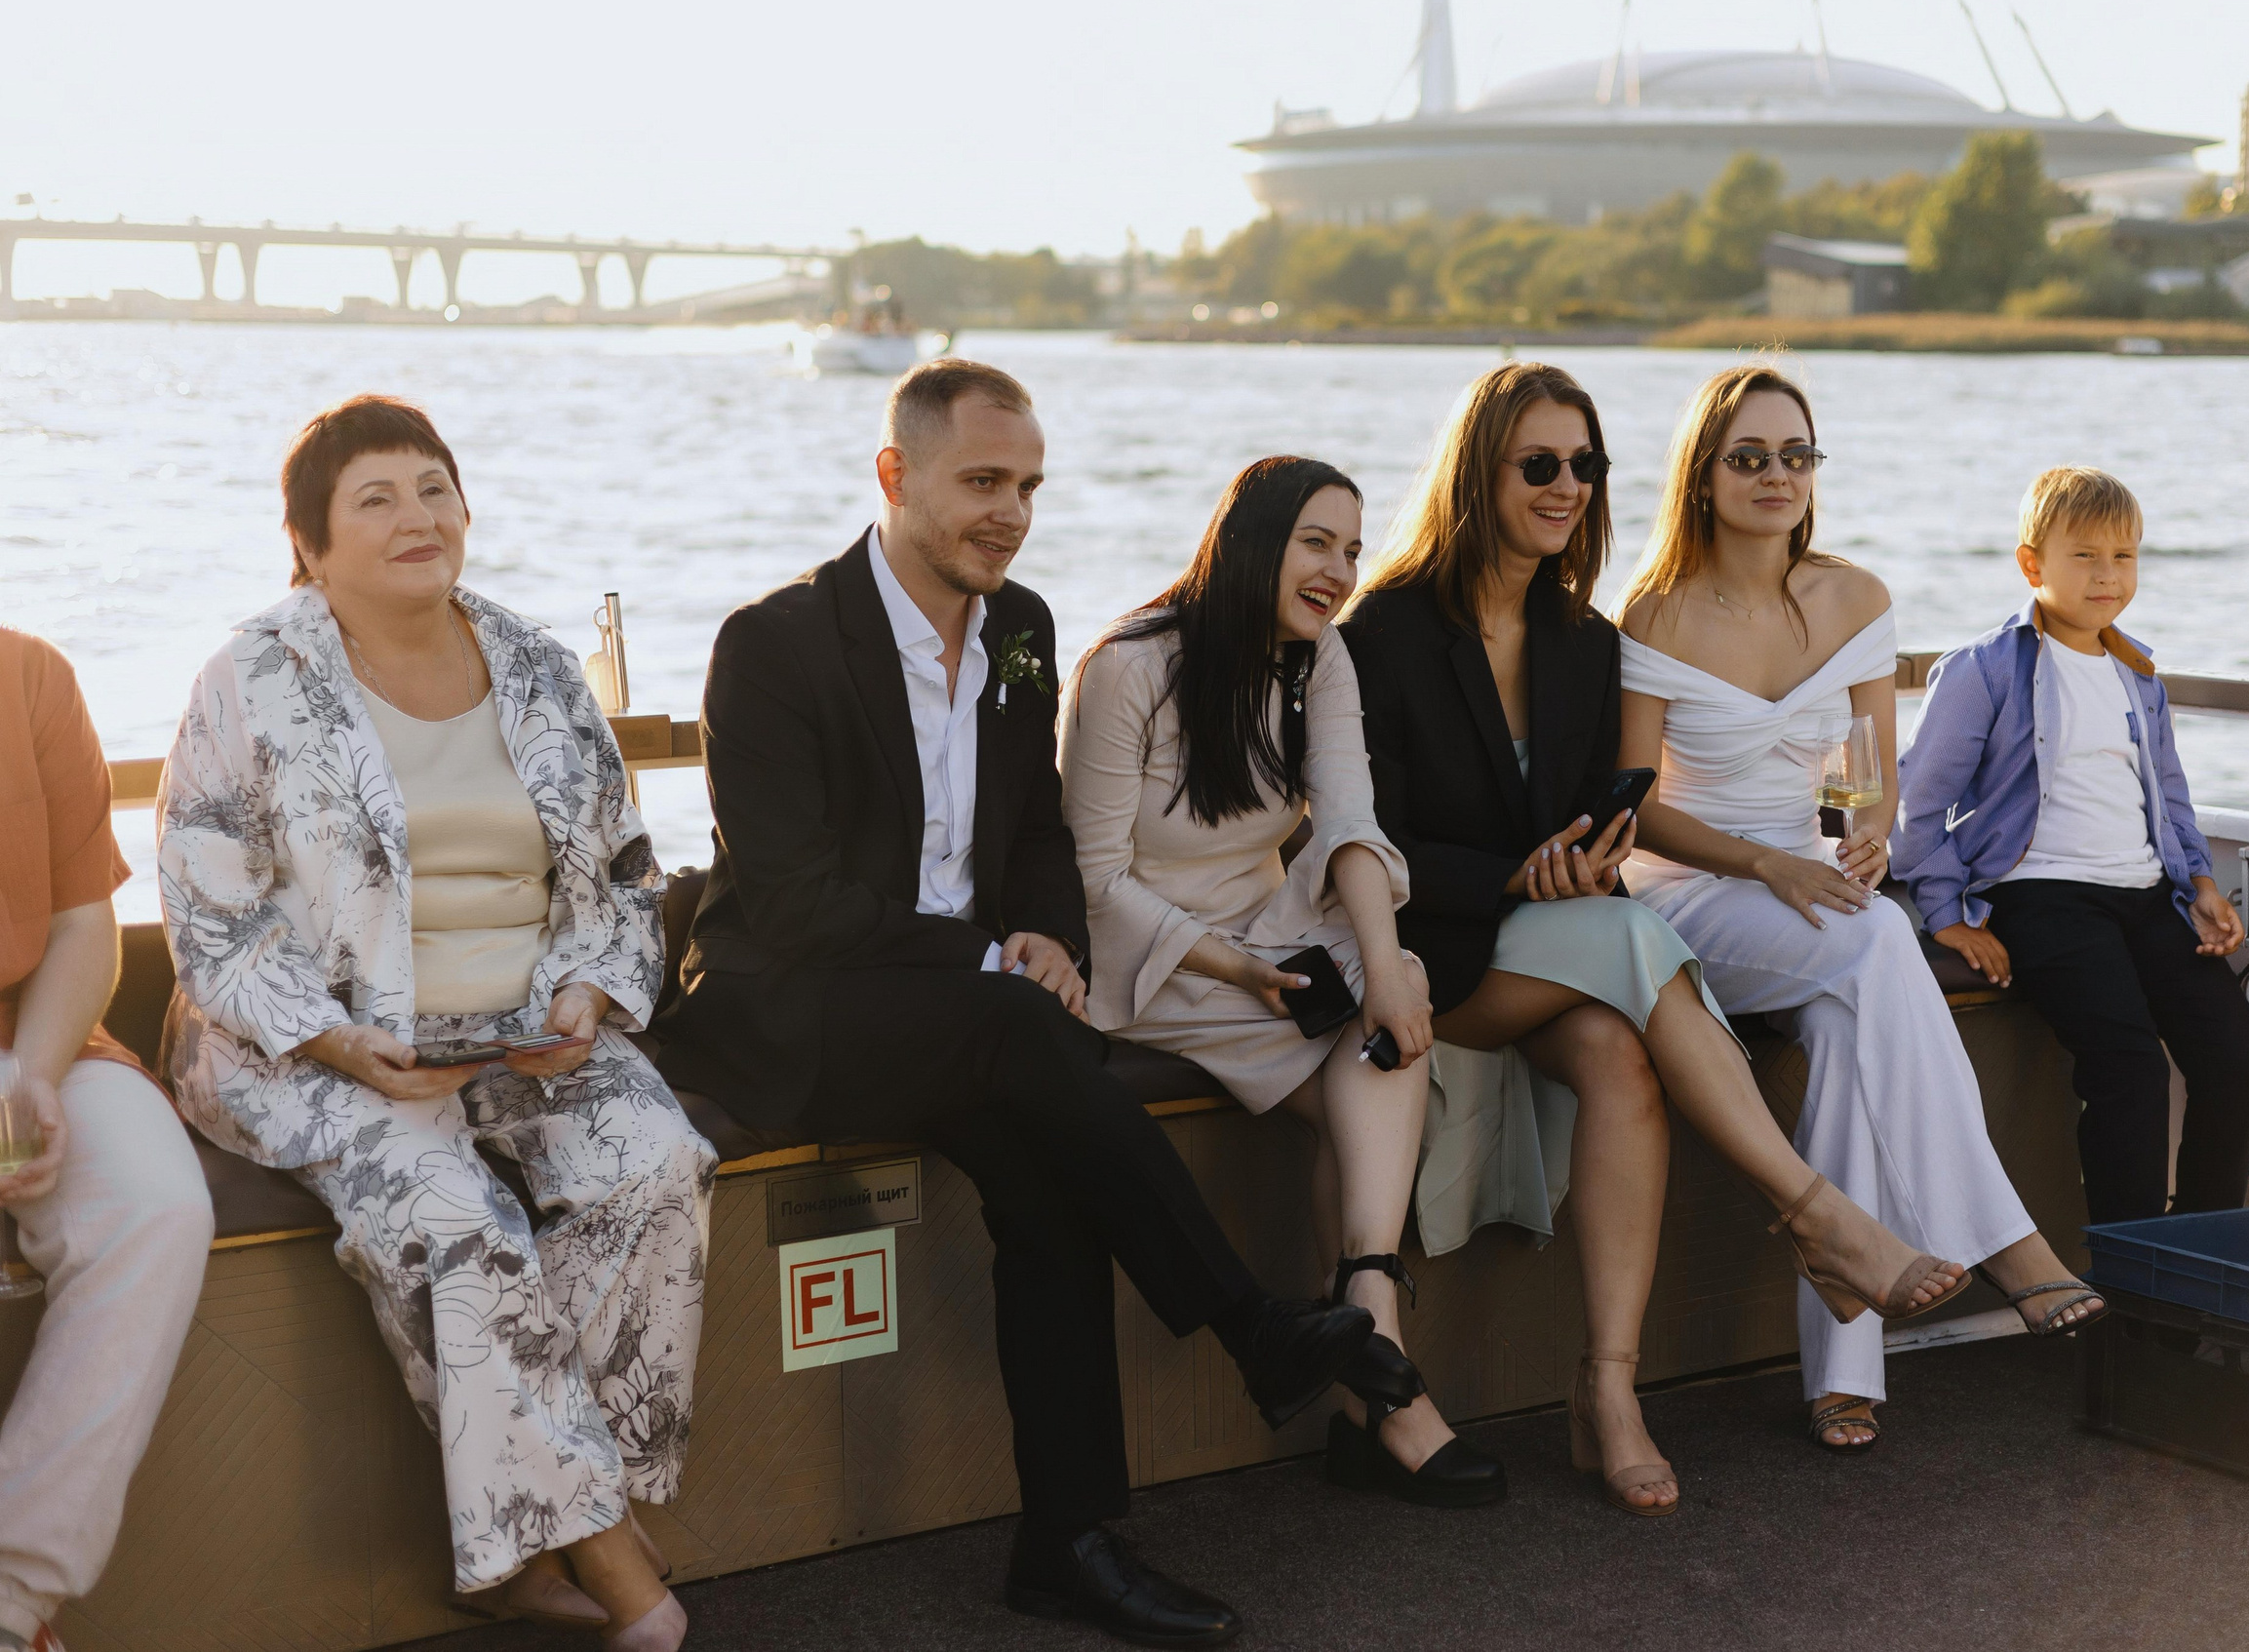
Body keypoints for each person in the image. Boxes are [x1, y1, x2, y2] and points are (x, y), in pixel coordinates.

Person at [653, 359, 1377, 1648]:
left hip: (965, 1022)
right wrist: (1000, 961)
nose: (1011, 510)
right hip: (796, 1012)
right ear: (896, 476)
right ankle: (1249, 1321)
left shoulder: (1024, 624)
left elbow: (1039, 832)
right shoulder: (774, 644)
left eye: (1029, 485)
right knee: (1028, 1036)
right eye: (983, 481)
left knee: (1050, 1178)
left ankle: (1071, 1539)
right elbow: (798, 900)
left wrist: (1040, 929)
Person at [1341, 361, 1971, 1514]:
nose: (1567, 485)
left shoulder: (1580, 638)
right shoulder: (1381, 629)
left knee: (1623, 1054)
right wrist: (1520, 877)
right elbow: (1361, 839)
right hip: (1427, 958)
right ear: (1478, 473)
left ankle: (1608, 1391)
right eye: (1540, 464)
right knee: (1635, 941)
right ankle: (1816, 1215)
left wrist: (1576, 856)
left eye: (1585, 465)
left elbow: (1605, 808)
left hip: (1552, 942)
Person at [157, 396, 708, 1649]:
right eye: (376, 499)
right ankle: (622, 1575)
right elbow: (206, 910)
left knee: (659, 1164)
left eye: (434, 488)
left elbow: (622, 872)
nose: (418, 517)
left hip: (520, 1025)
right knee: (451, 1212)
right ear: (308, 544)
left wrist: (589, 990)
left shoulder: (537, 666)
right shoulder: (251, 678)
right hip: (304, 1044)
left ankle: (545, 1531)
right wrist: (331, 1039)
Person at [1611, 364, 2108, 1456]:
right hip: (1694, 897)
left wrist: (1861, 837)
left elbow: (1864, 769)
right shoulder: (1653, 613)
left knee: (1846, 1023)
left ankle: (1842, 1372)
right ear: (1702, 475)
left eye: (1796, 455)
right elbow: (1635, 812)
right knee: (1875, 939)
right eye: (1749, 457)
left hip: (1819, 893)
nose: (1776, 475)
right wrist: (1767, 866)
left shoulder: (1855, 598)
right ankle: (2009, 1241)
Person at [1060, 455, 1504, 1509]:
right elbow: (1092, 879)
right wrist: (1242, 970)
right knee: (1359, 1082)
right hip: (1149, 952)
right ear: (1252, 538)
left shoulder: (1321, 660)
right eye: (1317, 543)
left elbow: (1349, 824)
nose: (1340, 570)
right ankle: (1389, 1392)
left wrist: (1388, 963)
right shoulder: (1129, 666)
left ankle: (1363, 1310)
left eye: (1352, 549)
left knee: (1389, 994)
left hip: (1264, 929)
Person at [1895, 466, 2249, 1227]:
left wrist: (2199, 882)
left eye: (2124, 556)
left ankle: (2203, 1251)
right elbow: (1918, 804)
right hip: (2043, 896)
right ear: (2032, 564)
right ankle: (2131, 1282)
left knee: (2239, 1060)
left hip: (2143, 895)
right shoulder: (1984, 670)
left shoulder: (2139, 677)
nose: (2108, 575)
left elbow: (2168, 793)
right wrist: (1947, 916)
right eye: (2086, 556)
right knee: (2129, 1070)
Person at [0, 629, 215, 1652]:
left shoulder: (31, 676)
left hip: (34, 1038)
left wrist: (33, 1078)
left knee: (155, 1207)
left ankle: (10, 1598)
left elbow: (86, 925)